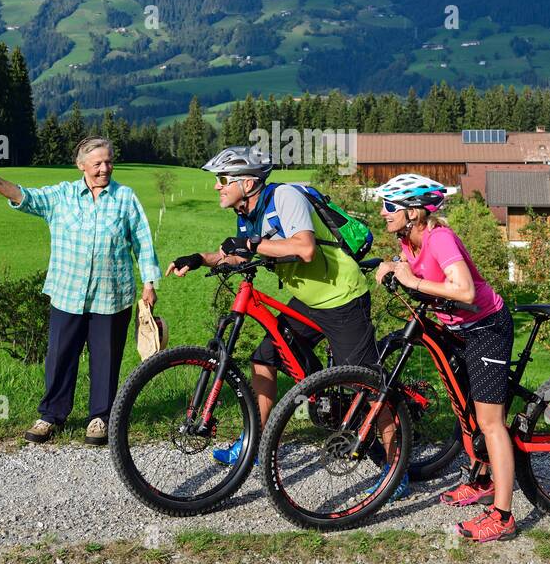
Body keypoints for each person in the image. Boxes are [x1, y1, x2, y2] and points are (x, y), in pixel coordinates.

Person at [166, 146, 404, 497]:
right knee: (265, 357)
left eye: (222, 180)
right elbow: (239, 250)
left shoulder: (286, 197)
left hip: (341, 297)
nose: (217, 187)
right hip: (308, 300)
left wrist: (252, 242)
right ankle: (254, 442)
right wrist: (201, 258)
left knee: (366, 386)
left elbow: (304, 249)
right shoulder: (248, 211)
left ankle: (395, 467)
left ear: (247, 183)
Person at [0, 137, 160, 446]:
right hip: (67, 293)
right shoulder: (62, 196)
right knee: (59, 357)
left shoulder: (125, 198)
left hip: (112, 295)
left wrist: (149, 283)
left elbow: (143, 241)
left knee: (106, 359)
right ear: (81, 165)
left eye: (109, 162)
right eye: (98, 163)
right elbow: (23, 197)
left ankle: (101, 418)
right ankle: (51, 415)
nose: (105, 168)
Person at [372, 173, 517, 542]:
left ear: (414, 212)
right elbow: (413, 266)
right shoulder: (408, 240)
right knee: (464, 407)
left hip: (486, 327)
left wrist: (412, 282)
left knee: (490, 421)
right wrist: (392, 266)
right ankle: (482, 480)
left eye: (390, 206)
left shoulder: (440, 238)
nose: (383, 212)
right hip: (459, 330)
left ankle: (502, 515)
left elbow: (464, 290)